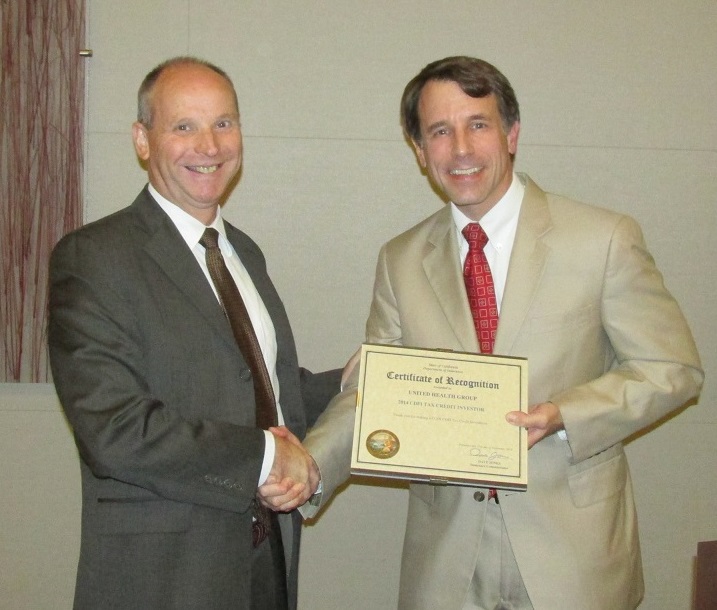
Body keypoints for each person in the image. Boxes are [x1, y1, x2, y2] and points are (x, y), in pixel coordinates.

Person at [270, 56, 704, 609]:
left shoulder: (603, 239)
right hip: (447, 564)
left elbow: (673, 370)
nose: (462, 149)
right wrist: (309, 467)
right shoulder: (400, 260)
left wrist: (566, 414)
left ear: (511, 133)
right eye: (440, 132)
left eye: (478, 124)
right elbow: (372, 395)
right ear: (420, 152)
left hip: (573, 559)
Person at [48, 56, 343, 610]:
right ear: (142, 139)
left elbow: (259, 397)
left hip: (265, 560)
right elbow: (113, 429)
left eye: (223, 123)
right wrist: (264, 457)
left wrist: (357, 381)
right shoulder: (94, 258)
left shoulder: (244, 253)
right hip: (164, 576)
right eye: (183, 126)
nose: (209, 145)